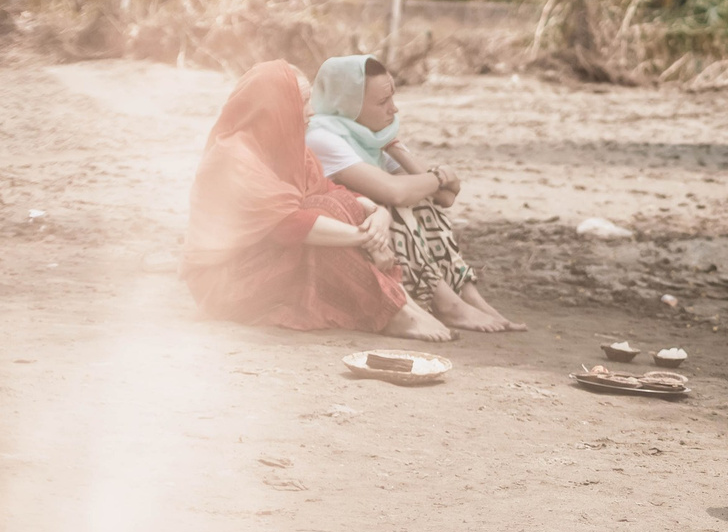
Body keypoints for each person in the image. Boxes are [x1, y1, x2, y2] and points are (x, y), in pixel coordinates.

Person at [180, 61, 450, 341]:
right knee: (324, 214)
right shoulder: (233, 156)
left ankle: (399, 303)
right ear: (275, 106)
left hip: (264, 258)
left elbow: (328, 188)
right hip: (226, 282)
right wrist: (368, 238)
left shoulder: (285, 146)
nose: (311, 111)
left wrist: (378, 212)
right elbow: (289, 224)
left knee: (334, 204)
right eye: (303, 102)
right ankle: (394, 309)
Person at [305, 55, 523, 334]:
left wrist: (396, 149)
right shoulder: (322, 136)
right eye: (382, 102)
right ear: (347, 104)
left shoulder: (371, 134)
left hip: (385, 241)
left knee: (416, 198)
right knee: (401, 202)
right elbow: (396, 192)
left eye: (392, 98)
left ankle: (468, 297)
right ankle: (446, 303)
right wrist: (439, 176)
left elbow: (440, 198)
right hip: (352, 240)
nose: (393, 110)